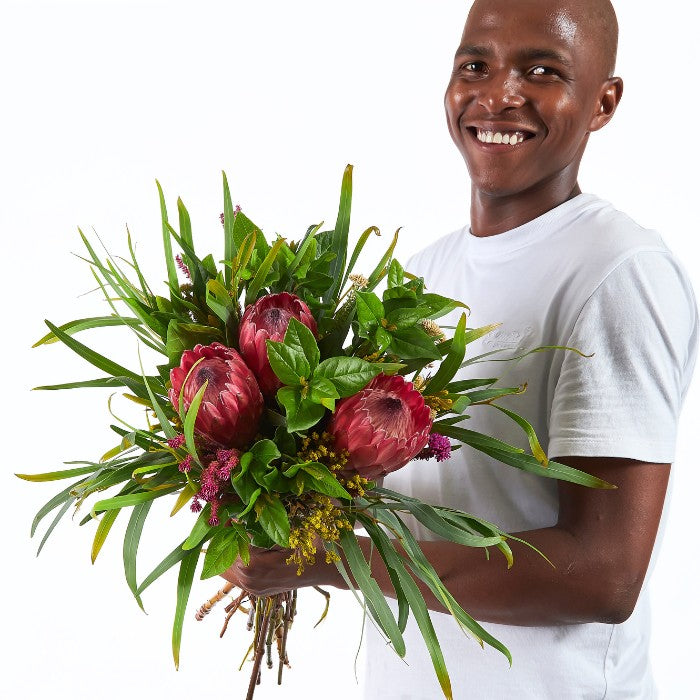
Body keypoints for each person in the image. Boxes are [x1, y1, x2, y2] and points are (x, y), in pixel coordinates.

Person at [222, 0, 698, 697]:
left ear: (603, 103)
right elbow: (375, 496)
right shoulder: (420, 279)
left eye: (542, 70)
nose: (499, 94)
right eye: (476, 64)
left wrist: (334, 562)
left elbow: (605, 576)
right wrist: (249, 473)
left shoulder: (617, 272)